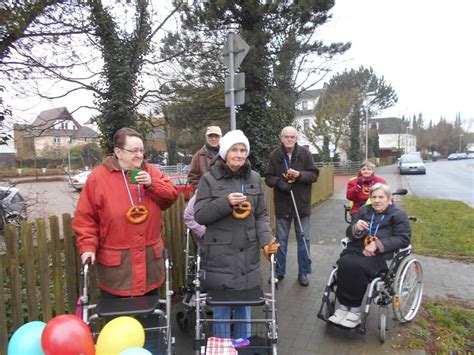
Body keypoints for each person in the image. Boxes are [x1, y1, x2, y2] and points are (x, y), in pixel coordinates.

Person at [73, 127, 179, 297]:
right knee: (118, 321)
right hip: (117, 271)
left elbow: (171, 196)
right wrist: (87, 247)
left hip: (150, 265)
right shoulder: (98, 178)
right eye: (134, 150)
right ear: (118, 152)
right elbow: (85, 218)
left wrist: (152, 184)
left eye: (142, 150)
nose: (139, 155)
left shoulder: (150, 171)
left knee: (151, 318)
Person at [194, 129, 279, 338]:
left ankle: (244, 346)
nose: (239, 155)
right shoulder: (209, 179)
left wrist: (267, 241)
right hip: (220, 257)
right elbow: (200, 215)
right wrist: (225, 203)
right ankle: (223, 348)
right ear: (224, 152)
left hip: (247, 256)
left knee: (244, 308)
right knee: (222, 309)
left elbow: (261, 215)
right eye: (234, 150)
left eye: (243, 150)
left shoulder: (254, 178)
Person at [328, 183, 411, 328]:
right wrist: (356, 228)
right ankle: (343, 308)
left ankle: (354, 311)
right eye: (374, 197)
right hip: (357, 250)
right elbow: (349, 233)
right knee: (345, 263)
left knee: (358, 267)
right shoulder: (364, 210)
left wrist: (378, 244)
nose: (377, 200)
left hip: (381, 255)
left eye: (381, 197)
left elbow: (404, 238)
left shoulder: (398, 214)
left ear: (389, 198)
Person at [264, 126, 319, 286]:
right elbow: (268, 177)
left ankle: (303, 272)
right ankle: (279, 272)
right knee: (281, 240)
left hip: (301, 205)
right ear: (281, 138)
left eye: (292, 137)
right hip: (283, 206)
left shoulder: (305, 154)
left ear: (296, 138)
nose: (289, 139)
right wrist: (280, 183)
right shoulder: (275, 155)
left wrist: (300, 175)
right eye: (286, 136)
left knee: (304, 239)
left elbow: (314, 174)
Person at [188, 125, 222, 190]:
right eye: (210, 136)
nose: (213, 139)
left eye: (216, 136)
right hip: (205, 194)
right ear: (206, 137)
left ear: (221, 137)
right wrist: (200, 189)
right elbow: (192, 176)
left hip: (224, 193)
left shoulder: (227, 154)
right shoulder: (198, 156)